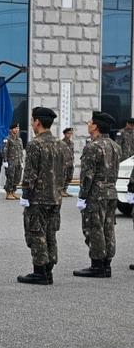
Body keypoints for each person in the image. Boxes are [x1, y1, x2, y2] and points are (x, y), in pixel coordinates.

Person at [17, 107, 63, 286]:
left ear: (37, 122)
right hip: (55, 197)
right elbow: (67, 170)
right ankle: (49, 269)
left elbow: (30, 173)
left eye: (32, 120)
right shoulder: (60, 143)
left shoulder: (35, 144)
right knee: (51, 233)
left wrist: (26, 193)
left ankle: (39, 271)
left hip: (38, 198)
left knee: (36, 233)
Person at [75, 111, 120, 279]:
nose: (88, 124)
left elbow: (87, 175)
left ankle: (97, 264)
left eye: (90, 122)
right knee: (108, 228)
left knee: (94, 228)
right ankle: (107, 263)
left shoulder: (93, 147)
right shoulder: (115, 146)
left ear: (95, 126)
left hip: (96, 194)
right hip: (111, 192)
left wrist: (82, 196)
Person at [2, 125, 25, 200]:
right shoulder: (7, 139)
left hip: (18, 162)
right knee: (10, 178)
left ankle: (13, 192)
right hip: (10, 162)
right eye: (15, 128)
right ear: (11, 129)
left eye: (18, 128)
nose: (17, 129)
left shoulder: (19, 140)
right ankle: (8, 193)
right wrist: (5, 161)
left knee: (17, 178)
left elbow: (21, 151)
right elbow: (5, 150)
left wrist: (21, 161)